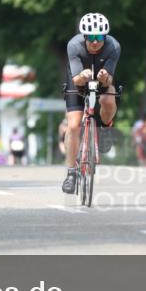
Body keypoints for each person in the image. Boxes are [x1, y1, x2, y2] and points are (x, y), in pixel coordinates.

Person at [62, 12, 120, 194]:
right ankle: (71, 173)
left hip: (102, 79)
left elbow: (109, 81)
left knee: (109, 99)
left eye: (100, 37)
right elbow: (77, 80)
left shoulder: (114, 47)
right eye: (91, 37)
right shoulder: (74, 46)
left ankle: (105, 128)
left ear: (105, 37)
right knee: (72, 125)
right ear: (84, 36)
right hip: (78, 80)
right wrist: (83, 76)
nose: (96, 42)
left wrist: (104, 77)